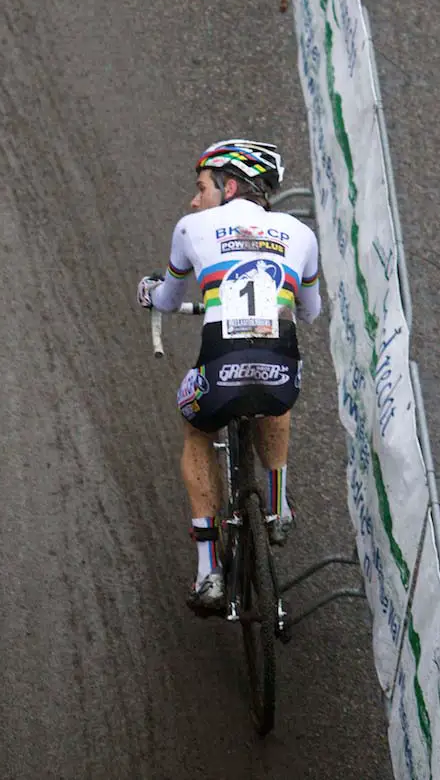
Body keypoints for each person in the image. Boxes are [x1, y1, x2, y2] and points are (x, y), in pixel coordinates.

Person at [137, 139, 321, 614]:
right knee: (273, 398)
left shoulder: (192, 228)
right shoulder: (299, 233)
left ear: (230, 185)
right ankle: (278, 508)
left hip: (219, 376)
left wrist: (149, 291)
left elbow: (166, 298)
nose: (194, 199)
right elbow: (313, 312)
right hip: (282, 376)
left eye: (202, 187)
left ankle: (209, 572)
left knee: (197, 429)